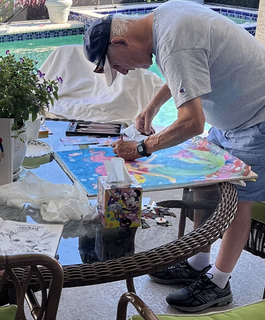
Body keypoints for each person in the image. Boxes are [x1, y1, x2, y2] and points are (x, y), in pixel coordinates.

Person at [83, 0, 265, 313]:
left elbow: (192, 123)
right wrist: (153, 106)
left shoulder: (172, 41)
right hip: (232, 116)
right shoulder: (165, 18)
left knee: (237, 199)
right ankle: (197, 263)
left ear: (120, 41)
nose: (125, 72)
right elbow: (188, 71)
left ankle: (219, 284)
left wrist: (141, 148)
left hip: (256, 119)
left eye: (119, 65)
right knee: (205, 184)